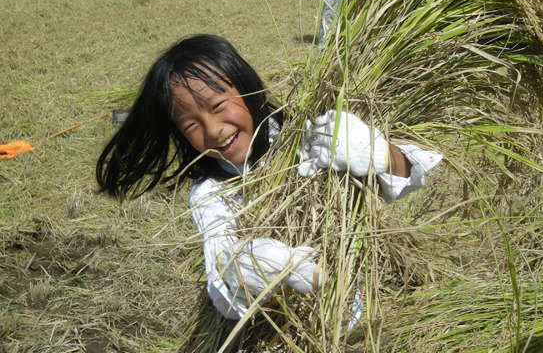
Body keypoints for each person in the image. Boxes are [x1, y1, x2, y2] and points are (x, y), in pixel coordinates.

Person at [95, 34, 443, 320]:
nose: (213, 131)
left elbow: (408, 175)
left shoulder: (307, 134)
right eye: (191, 125)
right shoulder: (212, 193)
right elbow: (224, 293)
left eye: (217, 106)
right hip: (284, 328)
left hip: (352, 318)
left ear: (246, 88)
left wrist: (376, 152)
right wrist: (244, 270)